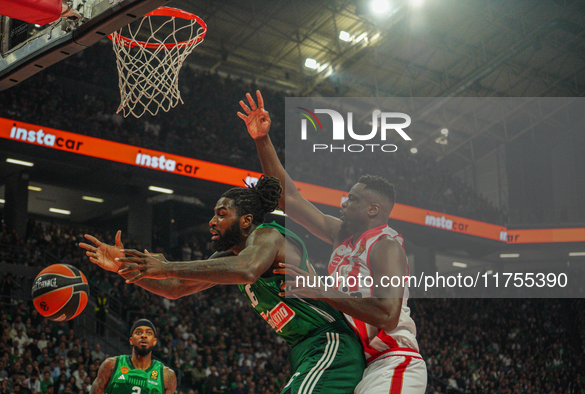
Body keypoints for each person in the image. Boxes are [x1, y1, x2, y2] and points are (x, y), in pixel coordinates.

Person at [79, 176, 365, 394]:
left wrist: (165, 265)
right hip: (305, 350)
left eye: (221, 214)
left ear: (246, 221)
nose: (212, 221)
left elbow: (248, 270)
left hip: (331, 342)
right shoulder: (232, 254)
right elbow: (176, 287)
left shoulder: (268, 238)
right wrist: (125, 267)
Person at [237, 91, 427, 393]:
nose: (342, 203)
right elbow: (290, 199)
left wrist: (322, 291)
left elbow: (388, 316)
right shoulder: (343, 235)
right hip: (354, 359)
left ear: (373, 209)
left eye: (351, 199)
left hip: (391, 358)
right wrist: (261, 138)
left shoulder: (386, 246)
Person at [89, 319, 176, 394]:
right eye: (138, 332)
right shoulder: (111, 365)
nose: (143, 335)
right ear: (131, 340)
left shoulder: (167, 375)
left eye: (149, 333)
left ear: (154, 341)